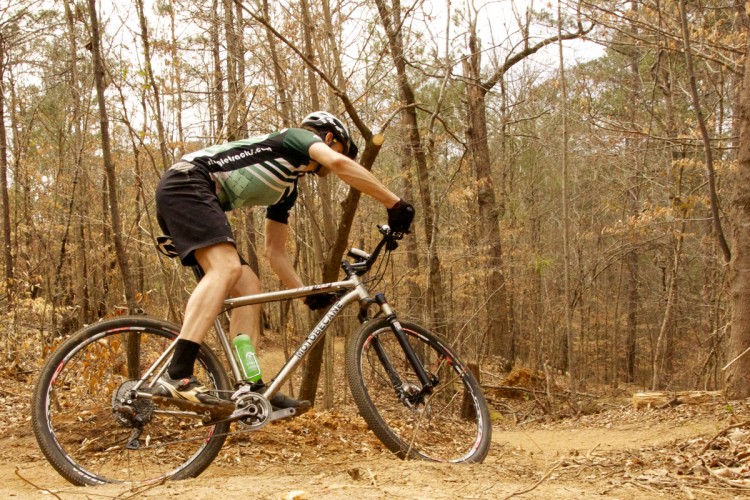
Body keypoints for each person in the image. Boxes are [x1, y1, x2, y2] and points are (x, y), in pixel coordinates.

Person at [153, 111, 415, 410]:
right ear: (328, 137)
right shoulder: (297, 137)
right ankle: (178, 374)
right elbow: (340, 164)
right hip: (188, 182)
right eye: (338, 147)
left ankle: (249, 386)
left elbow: (274, 252)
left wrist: (307, 294)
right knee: (226, 267)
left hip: (191, 193)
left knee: (249, 288)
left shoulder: (287, 188)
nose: (335, 155)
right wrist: (394, 203)